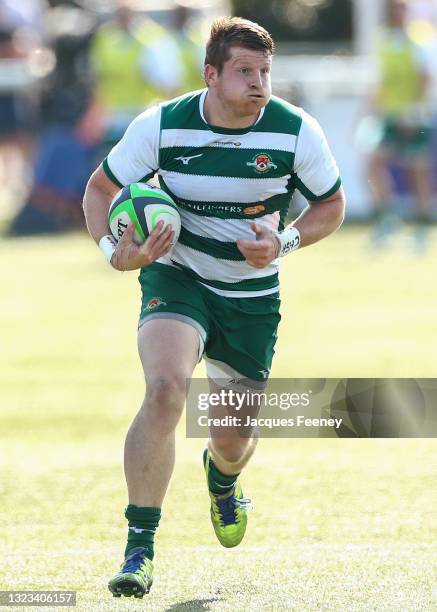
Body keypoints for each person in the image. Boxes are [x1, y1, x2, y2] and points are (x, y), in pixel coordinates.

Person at [83, 16, 345, 599]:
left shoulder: (296, 131)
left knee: (231, 439)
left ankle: (222, 481)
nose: (259, 84)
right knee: (167, 389)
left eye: (266, 72)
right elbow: (100, 189)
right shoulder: (163, 124)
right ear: (211, 75)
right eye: (245, 72)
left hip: (251, 297)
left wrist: (284, 241)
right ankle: (139, 550)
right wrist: (113, 252)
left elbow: (331, 206)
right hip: (177, 277)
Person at [367, 0, 434, 241]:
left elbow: (425, 77)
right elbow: (382, 80)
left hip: (414, 115)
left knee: (417, 169)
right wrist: (371, 111)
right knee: (373, 163)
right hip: (391, 114)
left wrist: (415, 109)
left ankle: (422, 224)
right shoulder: (384, 40)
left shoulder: (419, 39)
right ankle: (389, 216)